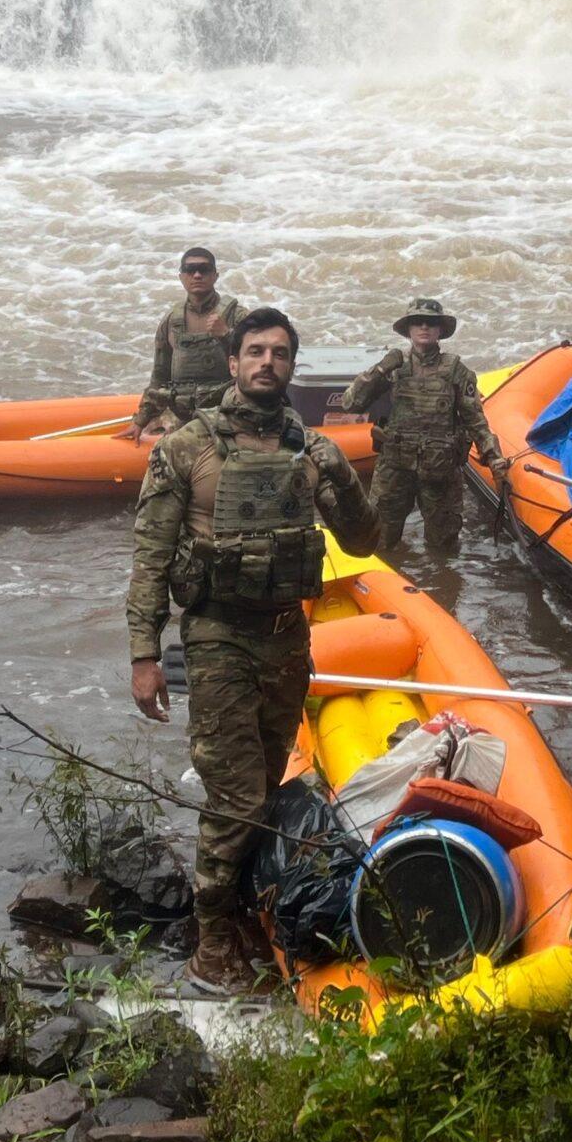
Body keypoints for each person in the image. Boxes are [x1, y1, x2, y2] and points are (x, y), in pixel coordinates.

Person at [126, 307, 378, 994]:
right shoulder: (187, 448)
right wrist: (143, 654)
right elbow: (149, 557)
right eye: (256, 351)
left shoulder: (310, 449)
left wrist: (339, 469)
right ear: (233, 363)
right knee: (236, 792)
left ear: (292, 368)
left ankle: (241, 906)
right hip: (217, 638)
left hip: (285, 639)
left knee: (265, 786)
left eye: (281, 354)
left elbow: (361, 539)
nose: (269, 362)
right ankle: (211, 946)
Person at [335, 298, 510, 565]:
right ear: (408, 329)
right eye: (418, 322)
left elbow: (475, 419)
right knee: (379, 541)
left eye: (431, 323)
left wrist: (493, 455)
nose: (424, 327)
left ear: (441, 331)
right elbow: (351, 403)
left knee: (444, 547)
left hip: (440, 470)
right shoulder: (394, 366)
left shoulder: (456, 371)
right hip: (395, 467)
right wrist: (381, 369)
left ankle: (441, 592)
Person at [120, 247, 247, 438]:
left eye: (204, 270)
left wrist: (226, 335)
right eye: (190, 270)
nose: (197, 275)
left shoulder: (237, 316)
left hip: (226, 414)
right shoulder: (171, 321)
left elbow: (258, 365)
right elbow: (160, 376)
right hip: (182, 415)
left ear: (215, 276)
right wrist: (141, 420)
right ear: (181, 277)